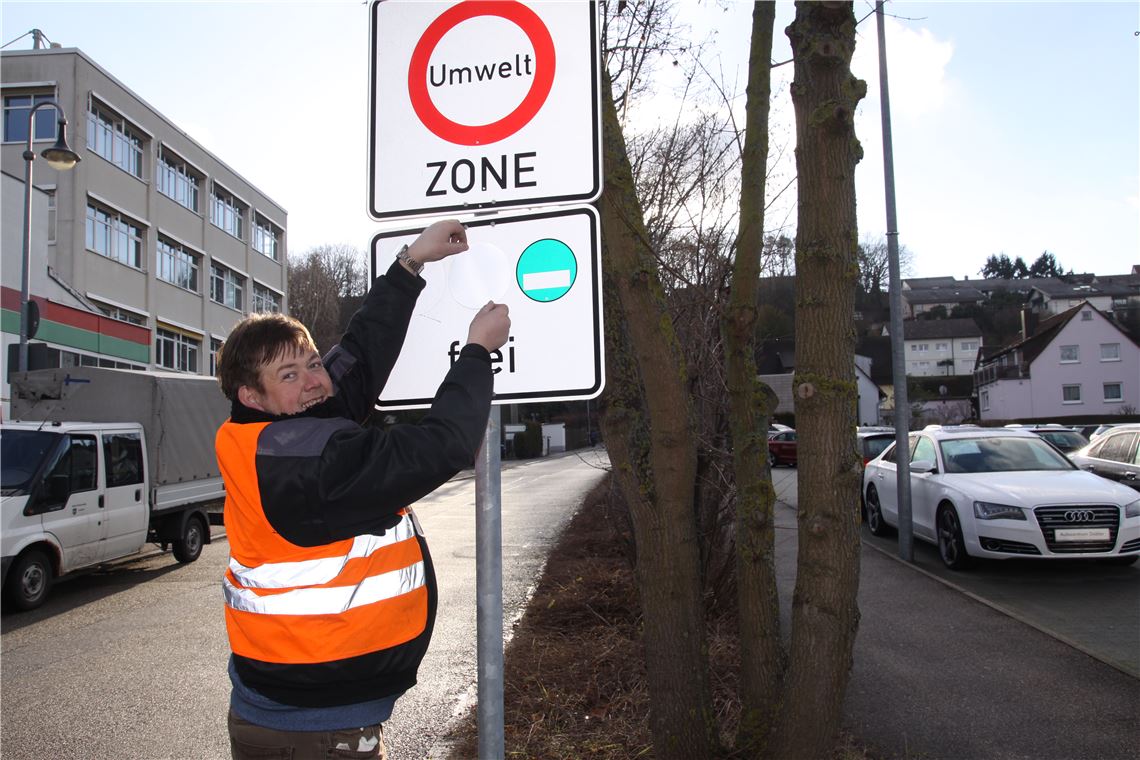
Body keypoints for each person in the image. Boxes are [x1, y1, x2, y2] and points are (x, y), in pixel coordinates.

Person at [213, 218, 509, 759]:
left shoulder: (268, 434)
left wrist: (410, 263)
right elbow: (440, 447)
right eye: (290, 375)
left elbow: (359, 355)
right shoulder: (307, 463)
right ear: (251, 396)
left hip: (290, 703)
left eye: (311, 363)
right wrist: (476, 353)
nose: (314, 381)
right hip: (315, 729)